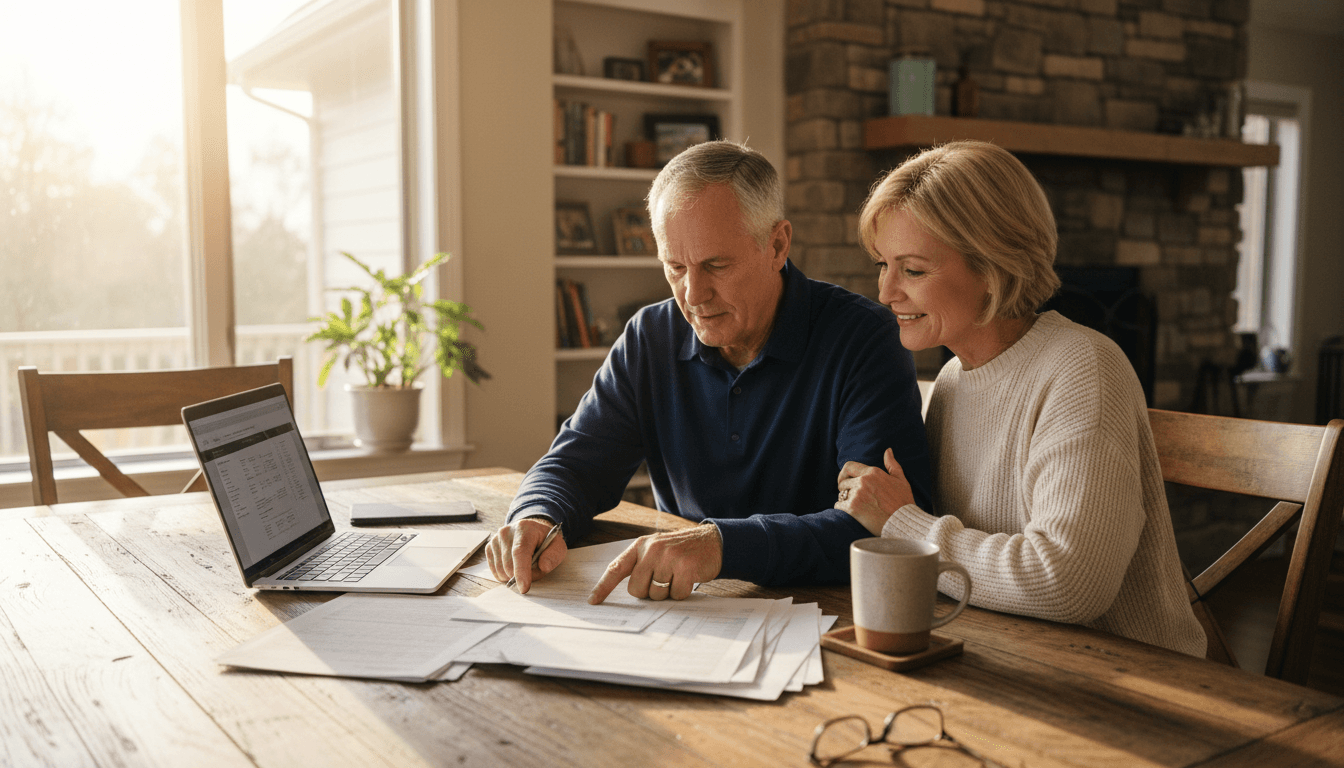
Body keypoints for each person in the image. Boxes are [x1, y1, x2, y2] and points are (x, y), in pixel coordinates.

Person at [487, 140, 933, 603]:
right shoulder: (650, 335)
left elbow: (883, 527)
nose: (693, 295)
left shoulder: (865, 337)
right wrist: (537, 516)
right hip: (677, 605)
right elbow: (575, 464)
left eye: (716, 265)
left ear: (777, 245)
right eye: (675, 267)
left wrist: (721, 544)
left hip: (826, 614)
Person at [836, 140, 1205, 656]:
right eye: (883, 264)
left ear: (993, 270)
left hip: (1134, 684)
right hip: (1010, 655)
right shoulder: (952, 382)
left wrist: (905, 525)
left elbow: (1068, 583)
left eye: (913, 269)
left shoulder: (1082, 369)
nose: (886, 292)